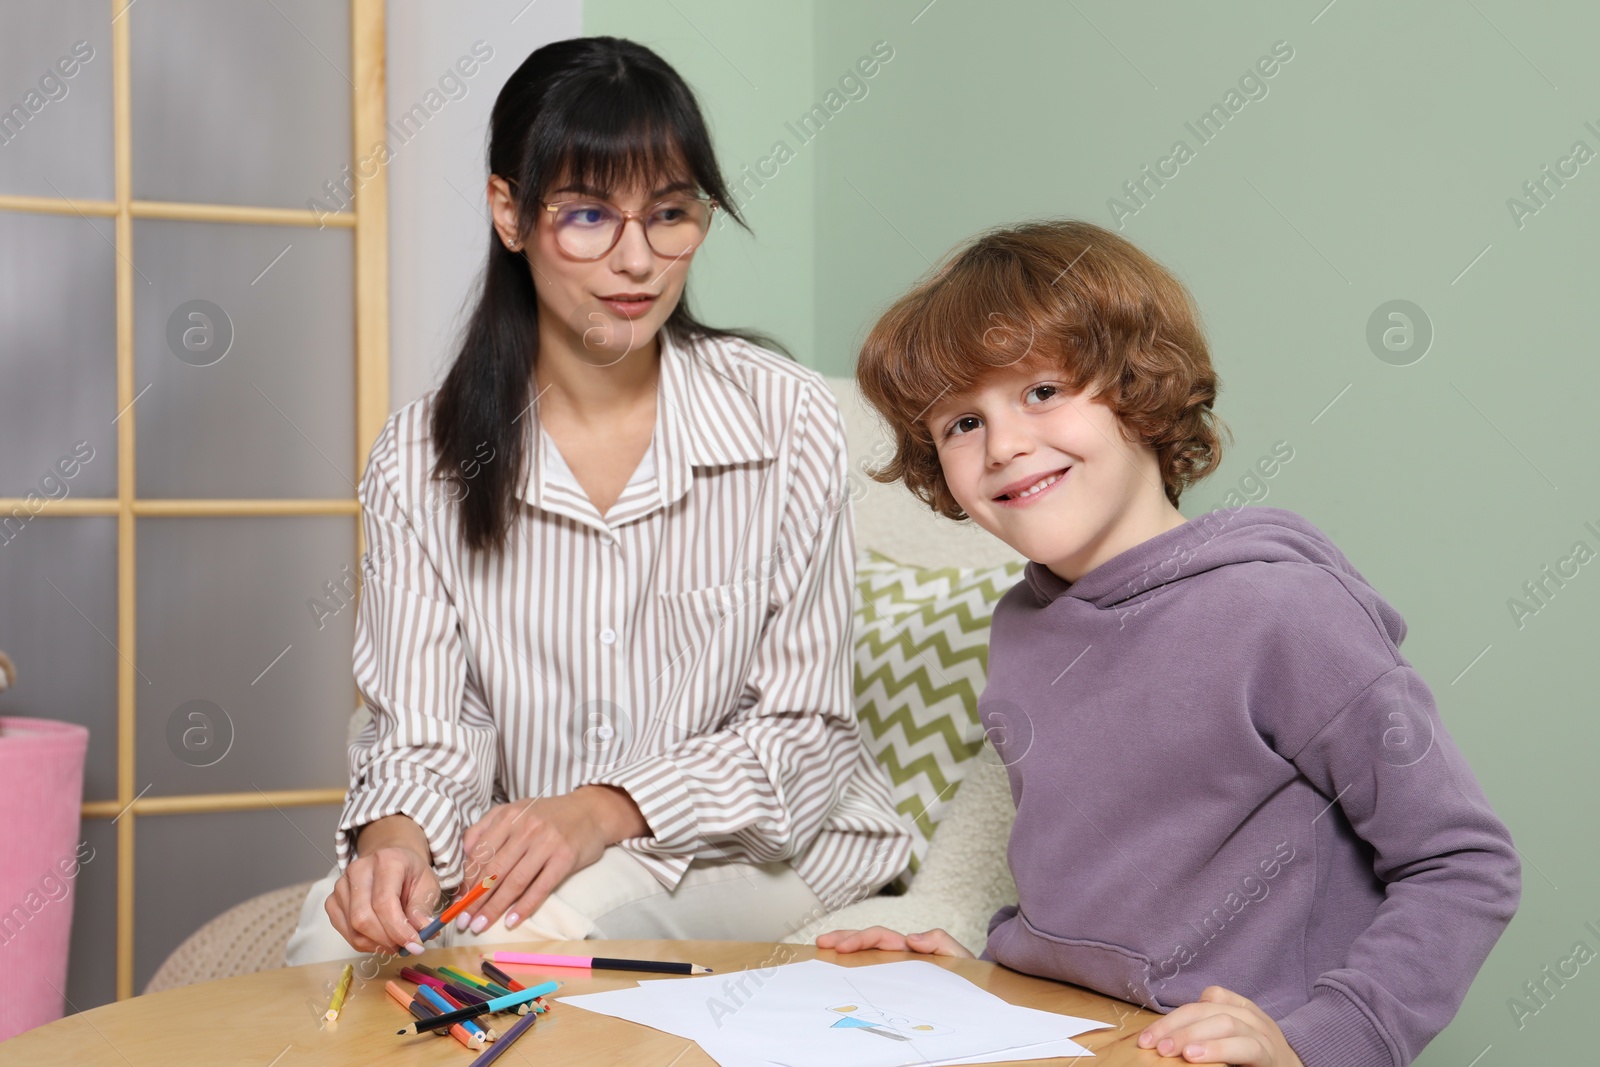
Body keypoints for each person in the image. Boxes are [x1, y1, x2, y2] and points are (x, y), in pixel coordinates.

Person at [817, 219, 1519, 1067]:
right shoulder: (1023, 627)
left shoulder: (1281, 610)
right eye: (962, 422)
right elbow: (1110, 895)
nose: (1003, 444)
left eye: (1041, 392)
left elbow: (1463, 863)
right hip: (1064, 1034)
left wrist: (1322, 1042)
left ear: (1139, 389)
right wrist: (973, 976)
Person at [285, 36, 910, 966]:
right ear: (509, 212)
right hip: (521, 849)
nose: (638, 261)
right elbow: (421, 727)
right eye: (587, 215)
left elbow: (804, 737)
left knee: (520, 950)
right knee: (328, 960)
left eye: (670, 214)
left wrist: (603, 809)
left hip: (762, 844)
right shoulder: (419, 458)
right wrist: (394, 845)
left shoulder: (786, 418)